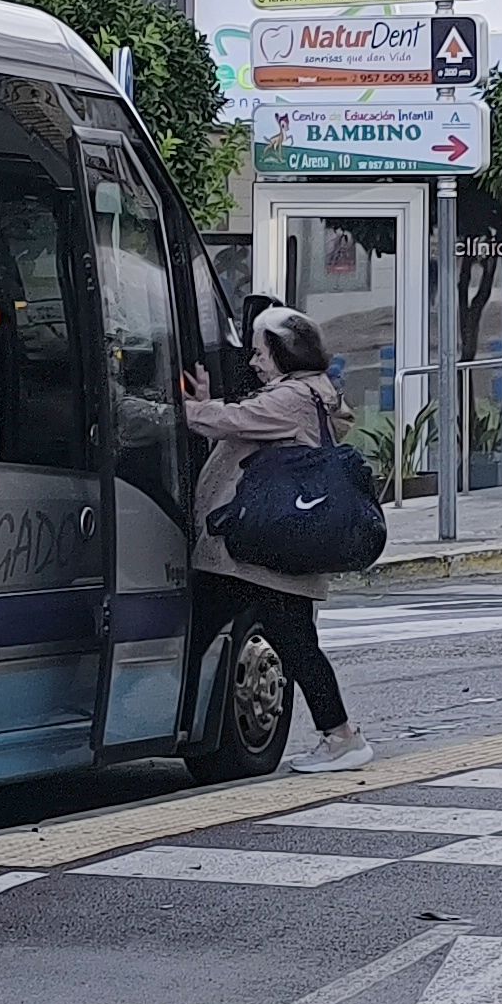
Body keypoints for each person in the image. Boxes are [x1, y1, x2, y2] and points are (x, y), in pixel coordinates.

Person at [181, 304, 371, 773]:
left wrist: (186, 408)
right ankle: (181, 717)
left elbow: (229, 423)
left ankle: (342, 737)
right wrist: (206, 403)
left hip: (264, 555)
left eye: (260, 351)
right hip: (263, 554)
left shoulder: (291, 399)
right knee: (269, 639)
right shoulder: (310, 396)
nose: (253, 361)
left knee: (293, 645)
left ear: (283, 353)